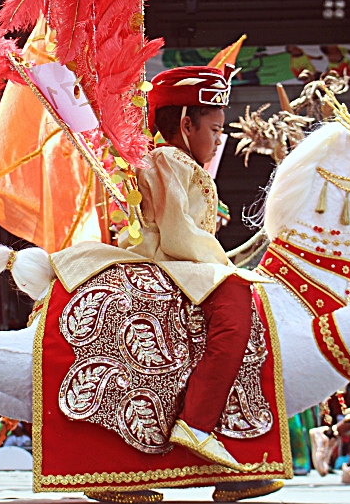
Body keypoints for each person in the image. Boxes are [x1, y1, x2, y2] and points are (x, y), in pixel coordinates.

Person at [51, 65, 269, 471]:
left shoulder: (177, 161)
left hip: (181, 260)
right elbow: (177, 232)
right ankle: (198, 423)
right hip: (168, 259)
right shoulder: (168, 159)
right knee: (236, 301)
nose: (220, 140)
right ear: (187, 125)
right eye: (216, 130)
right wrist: (225, 266)